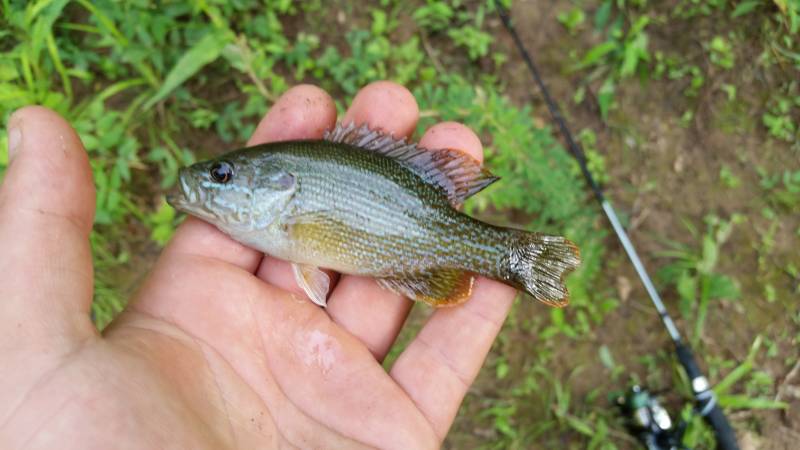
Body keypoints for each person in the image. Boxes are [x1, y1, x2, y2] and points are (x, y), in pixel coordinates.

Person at [0, 81, 516, 449]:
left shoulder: (289, 214)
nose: (209, 179)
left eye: (223, 175)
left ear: (280, 184)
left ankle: (515, 258)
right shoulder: (277, 221)